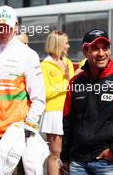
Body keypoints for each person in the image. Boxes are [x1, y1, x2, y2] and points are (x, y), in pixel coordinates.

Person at [0, 5, 46, 174]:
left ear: (16, 27)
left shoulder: (28, 55)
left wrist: (27, 128)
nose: (2, 30)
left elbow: (39, 98)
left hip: (11, 137)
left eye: (7, 26)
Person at [60, 29, 113, 174]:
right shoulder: (74, 82)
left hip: (107, 163)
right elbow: (68, 122)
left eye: (105, 48)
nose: (101, 53)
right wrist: (65, 157)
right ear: (85, 52)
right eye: (95, 48)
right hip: (77, 162)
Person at [40, 30, 74, 175]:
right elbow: (45, 92)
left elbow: (72, 87)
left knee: (68, 154)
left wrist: (68, 82)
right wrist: (65, 82)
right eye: (66, 43)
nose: (69, 46)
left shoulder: (69, 63)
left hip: (69, 112)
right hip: (53, 113)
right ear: (58, 44)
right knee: (55, 153)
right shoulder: (45, 65)